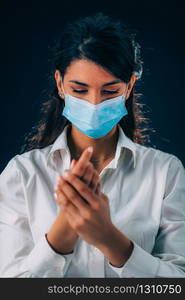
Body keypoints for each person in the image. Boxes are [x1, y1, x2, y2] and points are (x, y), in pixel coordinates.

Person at [0, 12, 185, 278]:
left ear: (130, 86)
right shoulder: (22, 174)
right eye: (79, 90)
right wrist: (63, 230)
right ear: (60, 84)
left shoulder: (165, 173)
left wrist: (109, 239)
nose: (95, 102)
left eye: (110, 91)